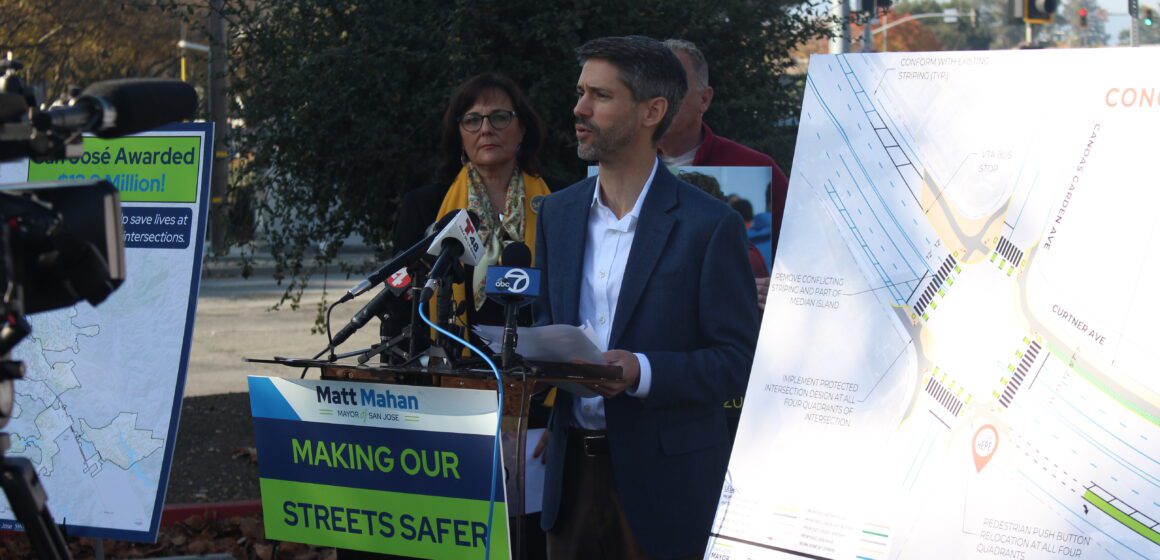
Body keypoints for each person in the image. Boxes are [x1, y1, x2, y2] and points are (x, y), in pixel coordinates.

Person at [534, 36, 759, 559]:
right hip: (571, 482)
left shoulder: (711, 226)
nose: (579, 109)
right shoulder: (557, 215)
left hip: (668, 486)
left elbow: (738, 363)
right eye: (580, 92)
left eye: (600, 96)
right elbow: (547, 320)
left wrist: (642, 371)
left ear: (652, 111)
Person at [382, 72, 557, 560]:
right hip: (450, 404)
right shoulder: (425, 208)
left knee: (527, 542)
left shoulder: (561, 206)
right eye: (473, 119)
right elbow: (400, 316)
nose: (487, 128)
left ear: (523, 131)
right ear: (458, 134)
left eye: (500, 116)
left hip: (539, 409)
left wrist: (564, 412)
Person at [658, 39, 788, 306]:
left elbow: (807, 260)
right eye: (650, 87)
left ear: (704, 99)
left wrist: (781, 290)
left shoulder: (756, 166)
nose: (660, 99)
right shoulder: (619, 170)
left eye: (674, 87)